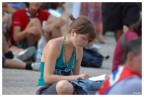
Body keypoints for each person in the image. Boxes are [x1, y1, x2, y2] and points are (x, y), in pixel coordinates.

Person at [36, 14, 96, 95]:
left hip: (68, 88)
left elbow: (76, 79)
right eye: (83, 38)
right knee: (63, 86)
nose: (85, 43)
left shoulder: (79, 49)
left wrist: (85, 79)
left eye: (88, 40)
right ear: (73, 32)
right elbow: (48, 78)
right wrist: (75, 77)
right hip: (46, 89)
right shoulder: (54, 45)